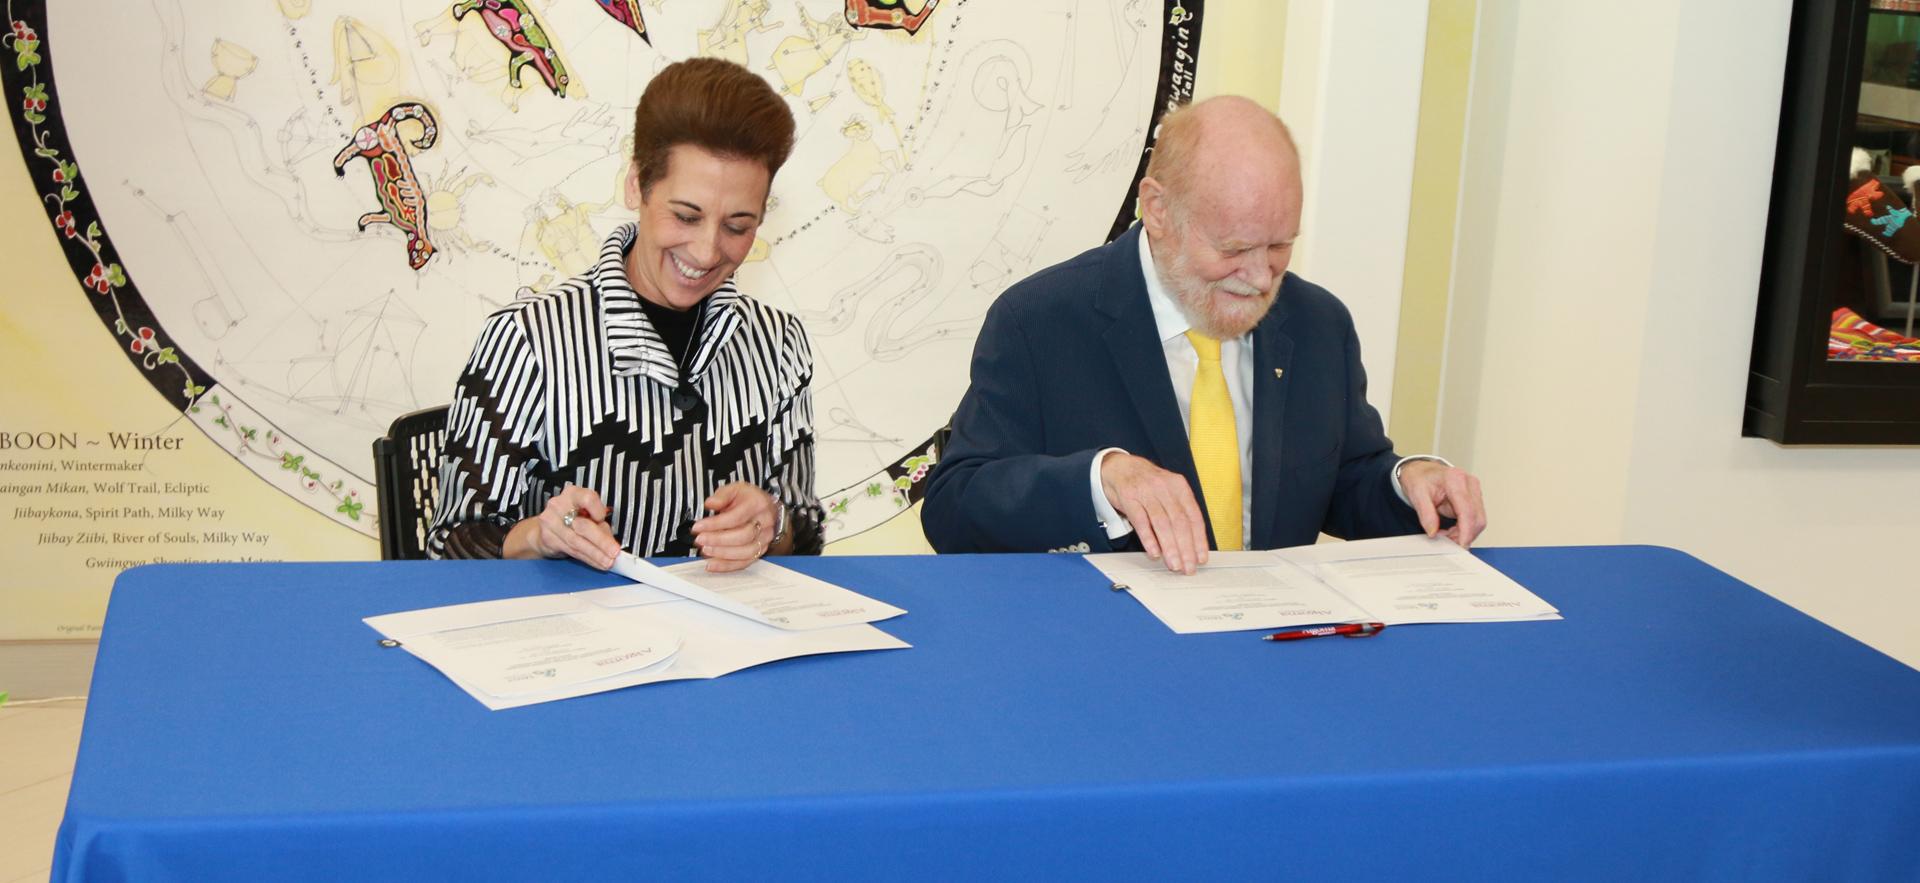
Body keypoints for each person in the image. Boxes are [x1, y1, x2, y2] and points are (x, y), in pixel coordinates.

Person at [922, 96, 1486, 572]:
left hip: (1274, 660)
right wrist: (1100, 481)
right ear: (1159, 209)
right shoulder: (1040, 319)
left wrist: (1407, 482)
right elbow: (954, 510)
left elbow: (1342, 481)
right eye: (1235, 248)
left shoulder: (1318, 324)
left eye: (1280, 245)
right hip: (1109, 660)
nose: (1262, 277)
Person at [428, 57, 822, 571]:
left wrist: (772, 525)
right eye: (685, 216)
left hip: (729, 639)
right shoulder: (526, 338)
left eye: (738, 226)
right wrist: (541, 535)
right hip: (568, 639)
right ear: (636, 185)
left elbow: (805, 528)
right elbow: (450, 544)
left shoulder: (778, 342)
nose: (706, 252)